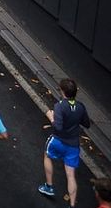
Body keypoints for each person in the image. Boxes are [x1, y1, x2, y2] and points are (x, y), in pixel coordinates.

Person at [38, 78, 91, 206]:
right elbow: (87, 124)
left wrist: (51, 117)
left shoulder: (60, 106)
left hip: (58, 141)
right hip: (73, 145)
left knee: (47, 154)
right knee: (70, 174)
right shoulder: (80, 107)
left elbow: (58, 127)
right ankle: (72, 204)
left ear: (62, 91)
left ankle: (49, 186)